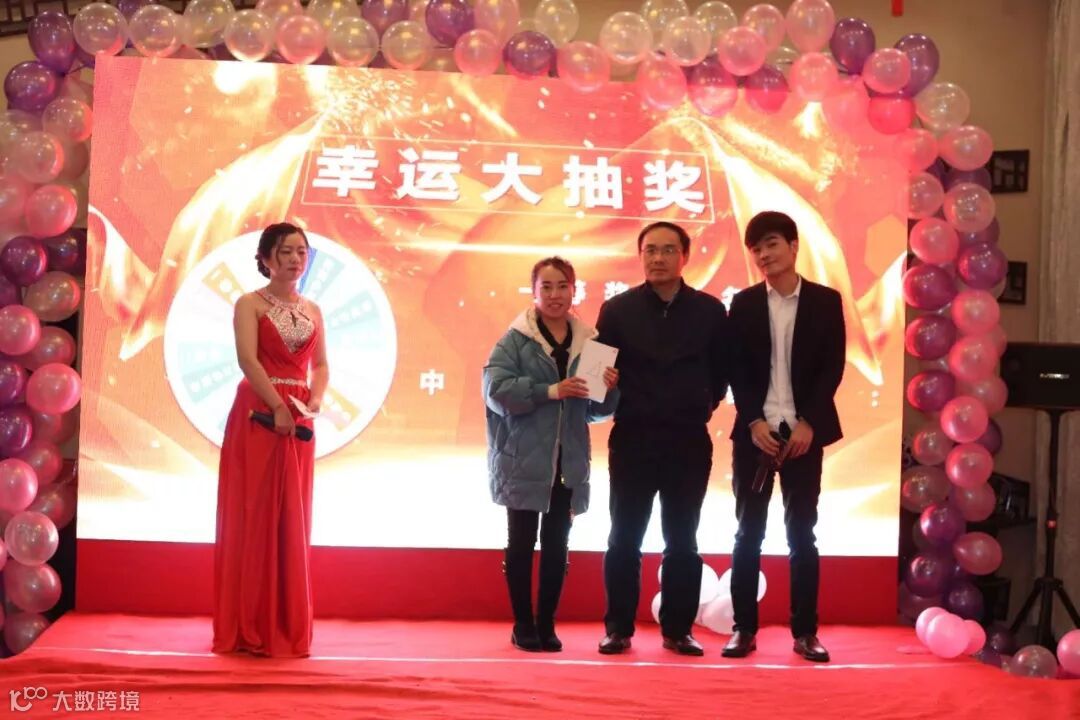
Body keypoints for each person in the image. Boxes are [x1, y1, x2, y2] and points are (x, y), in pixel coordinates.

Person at [595, 221, 728, 657]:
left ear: (684, 257)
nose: (658, 258)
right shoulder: (616, 311)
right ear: (640, 256)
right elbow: (596, 377)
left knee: (683, 540)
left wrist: (698, 405)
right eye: (650, 250)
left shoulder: (710, 311)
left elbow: (721, 376)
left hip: (687, 440)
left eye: (668, 250)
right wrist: (606, 385)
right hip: (632, 438)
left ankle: (678, 629)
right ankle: (618, 628)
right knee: (624, 538)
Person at [722, 211, 846, 663]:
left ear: (793, 246)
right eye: (756, 249)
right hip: (755, 436)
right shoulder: (744, 303)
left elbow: (832, 366)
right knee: (747, 534)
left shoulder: (825, 301)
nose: (764, 254)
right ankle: (743, 629)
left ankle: (805, 632)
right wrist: (753, 421)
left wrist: (809, 422)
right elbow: (736, 368)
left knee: (802, 534)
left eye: (771, 244)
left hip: (802, 437)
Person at [483, 257, 619, 652]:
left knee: (558, 544)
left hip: (567, 461)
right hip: (521, 457)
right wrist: (550, 391)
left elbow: (594, 411)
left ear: (574, 290)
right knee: (521, 543)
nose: (555, 295)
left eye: (562, 286)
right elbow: (496, 392)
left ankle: (546, 623)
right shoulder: (515, 339)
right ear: (534, 291)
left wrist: (609, 389)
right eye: (547, 286)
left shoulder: (591, 342)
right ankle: (522, 624)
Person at [213, 222, 329, 658]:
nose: (295, 259)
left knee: (293, 516)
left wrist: (314, 399)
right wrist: (276, 405)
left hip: (299, 416)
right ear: (265, 258)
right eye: (285, 252)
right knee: (255, 511)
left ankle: (285, 622)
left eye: (301, 252)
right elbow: (247, 359)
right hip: (258, 412)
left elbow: (321, 366)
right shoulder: (250, 303)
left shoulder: (314, 309)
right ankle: (251, 624)